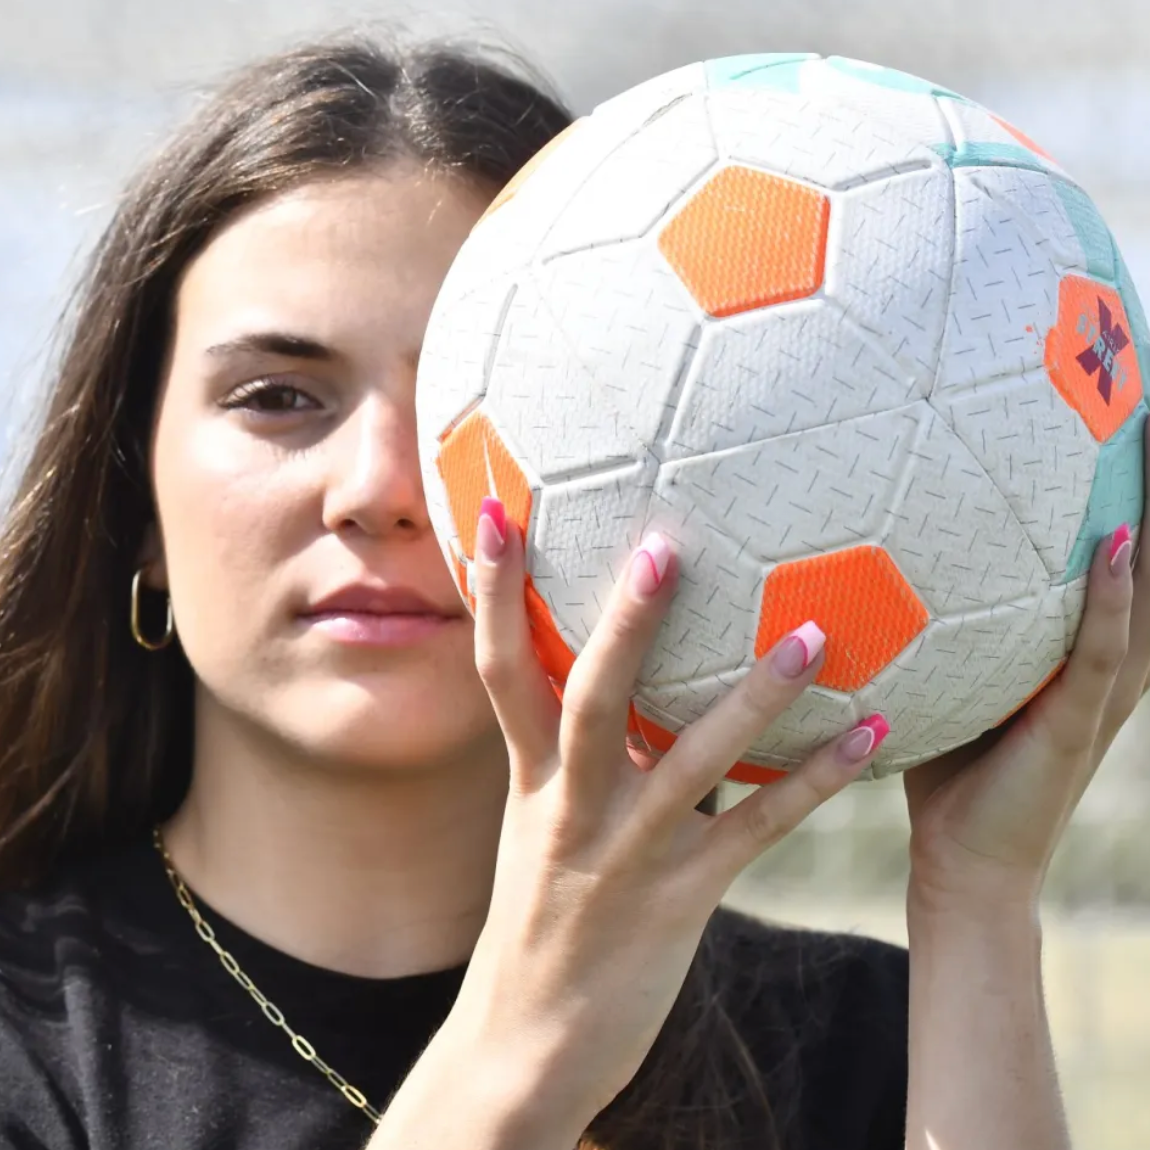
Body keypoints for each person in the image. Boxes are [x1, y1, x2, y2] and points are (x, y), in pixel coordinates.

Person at [0, 30, 1146, 1150]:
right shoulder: (27, 1038)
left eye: (461, 395)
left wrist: (977, 899)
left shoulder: (860, 1042)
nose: (381, 489)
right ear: (134, 502)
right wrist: (521, 1055)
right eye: (277, 396)